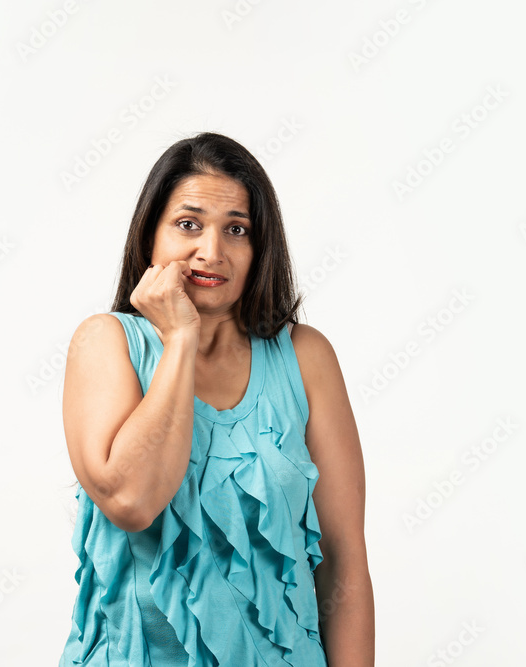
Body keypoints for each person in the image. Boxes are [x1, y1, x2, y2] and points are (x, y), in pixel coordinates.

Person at [59, 132, 373, 666]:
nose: (212, 251)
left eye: (236, 230)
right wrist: (180, 339)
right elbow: (131, 501)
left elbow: (342, 564)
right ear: (150, 236)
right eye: (188, 224)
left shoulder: (305, 357)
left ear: (258, 248)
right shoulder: (105, 343)